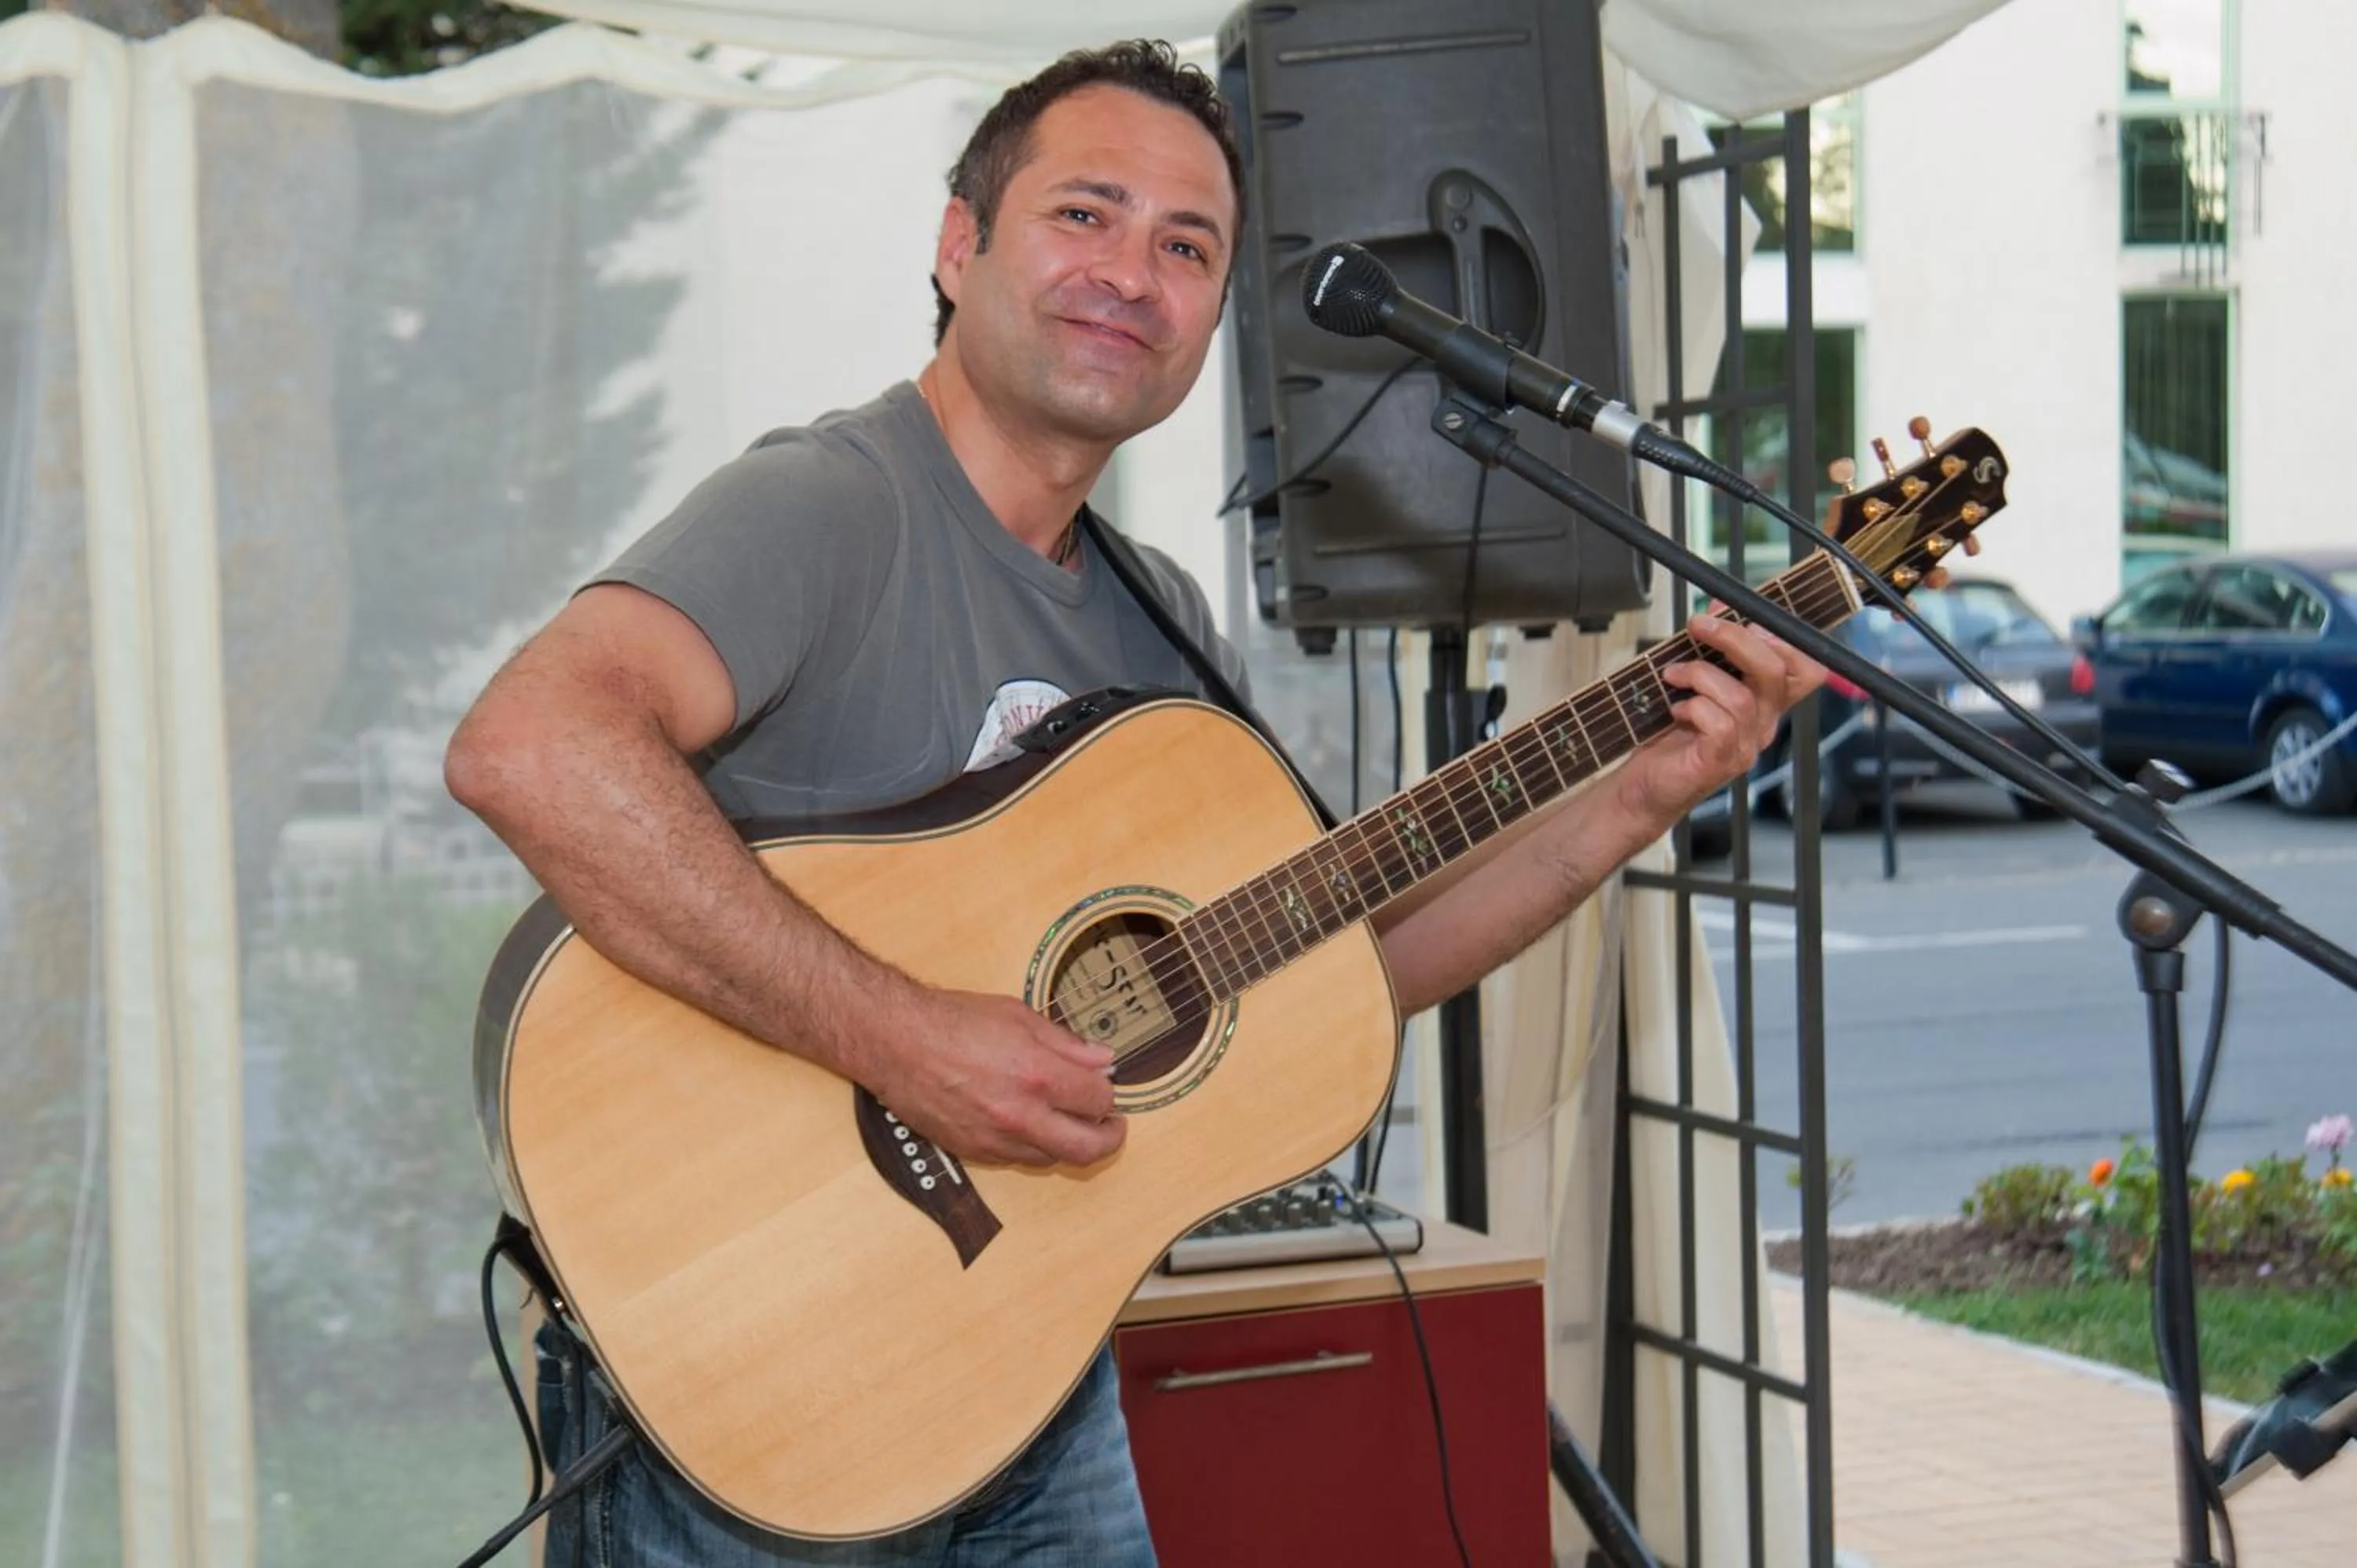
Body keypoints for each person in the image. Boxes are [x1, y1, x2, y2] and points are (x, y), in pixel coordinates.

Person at [445, 38, 1820, 1568]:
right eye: (1084, 215)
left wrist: (1638, 795)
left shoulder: (1156, 622)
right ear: (961, 245)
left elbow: (1332, 979)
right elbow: (532, 745)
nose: (1132, 275)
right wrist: (905, 1036)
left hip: (1028, 1366)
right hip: (763, 1378)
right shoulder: (837, 505)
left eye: (1187, 246)